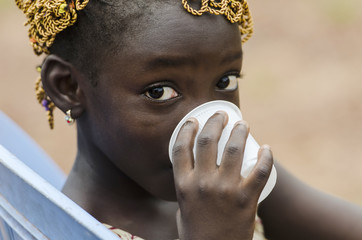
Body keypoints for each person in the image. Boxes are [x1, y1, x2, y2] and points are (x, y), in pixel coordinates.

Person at [15, 0, 362, 239]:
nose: (207, 126)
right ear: (68, 87)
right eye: (159, 92)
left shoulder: (232, 182)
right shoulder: (68, 232)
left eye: (225, 82)